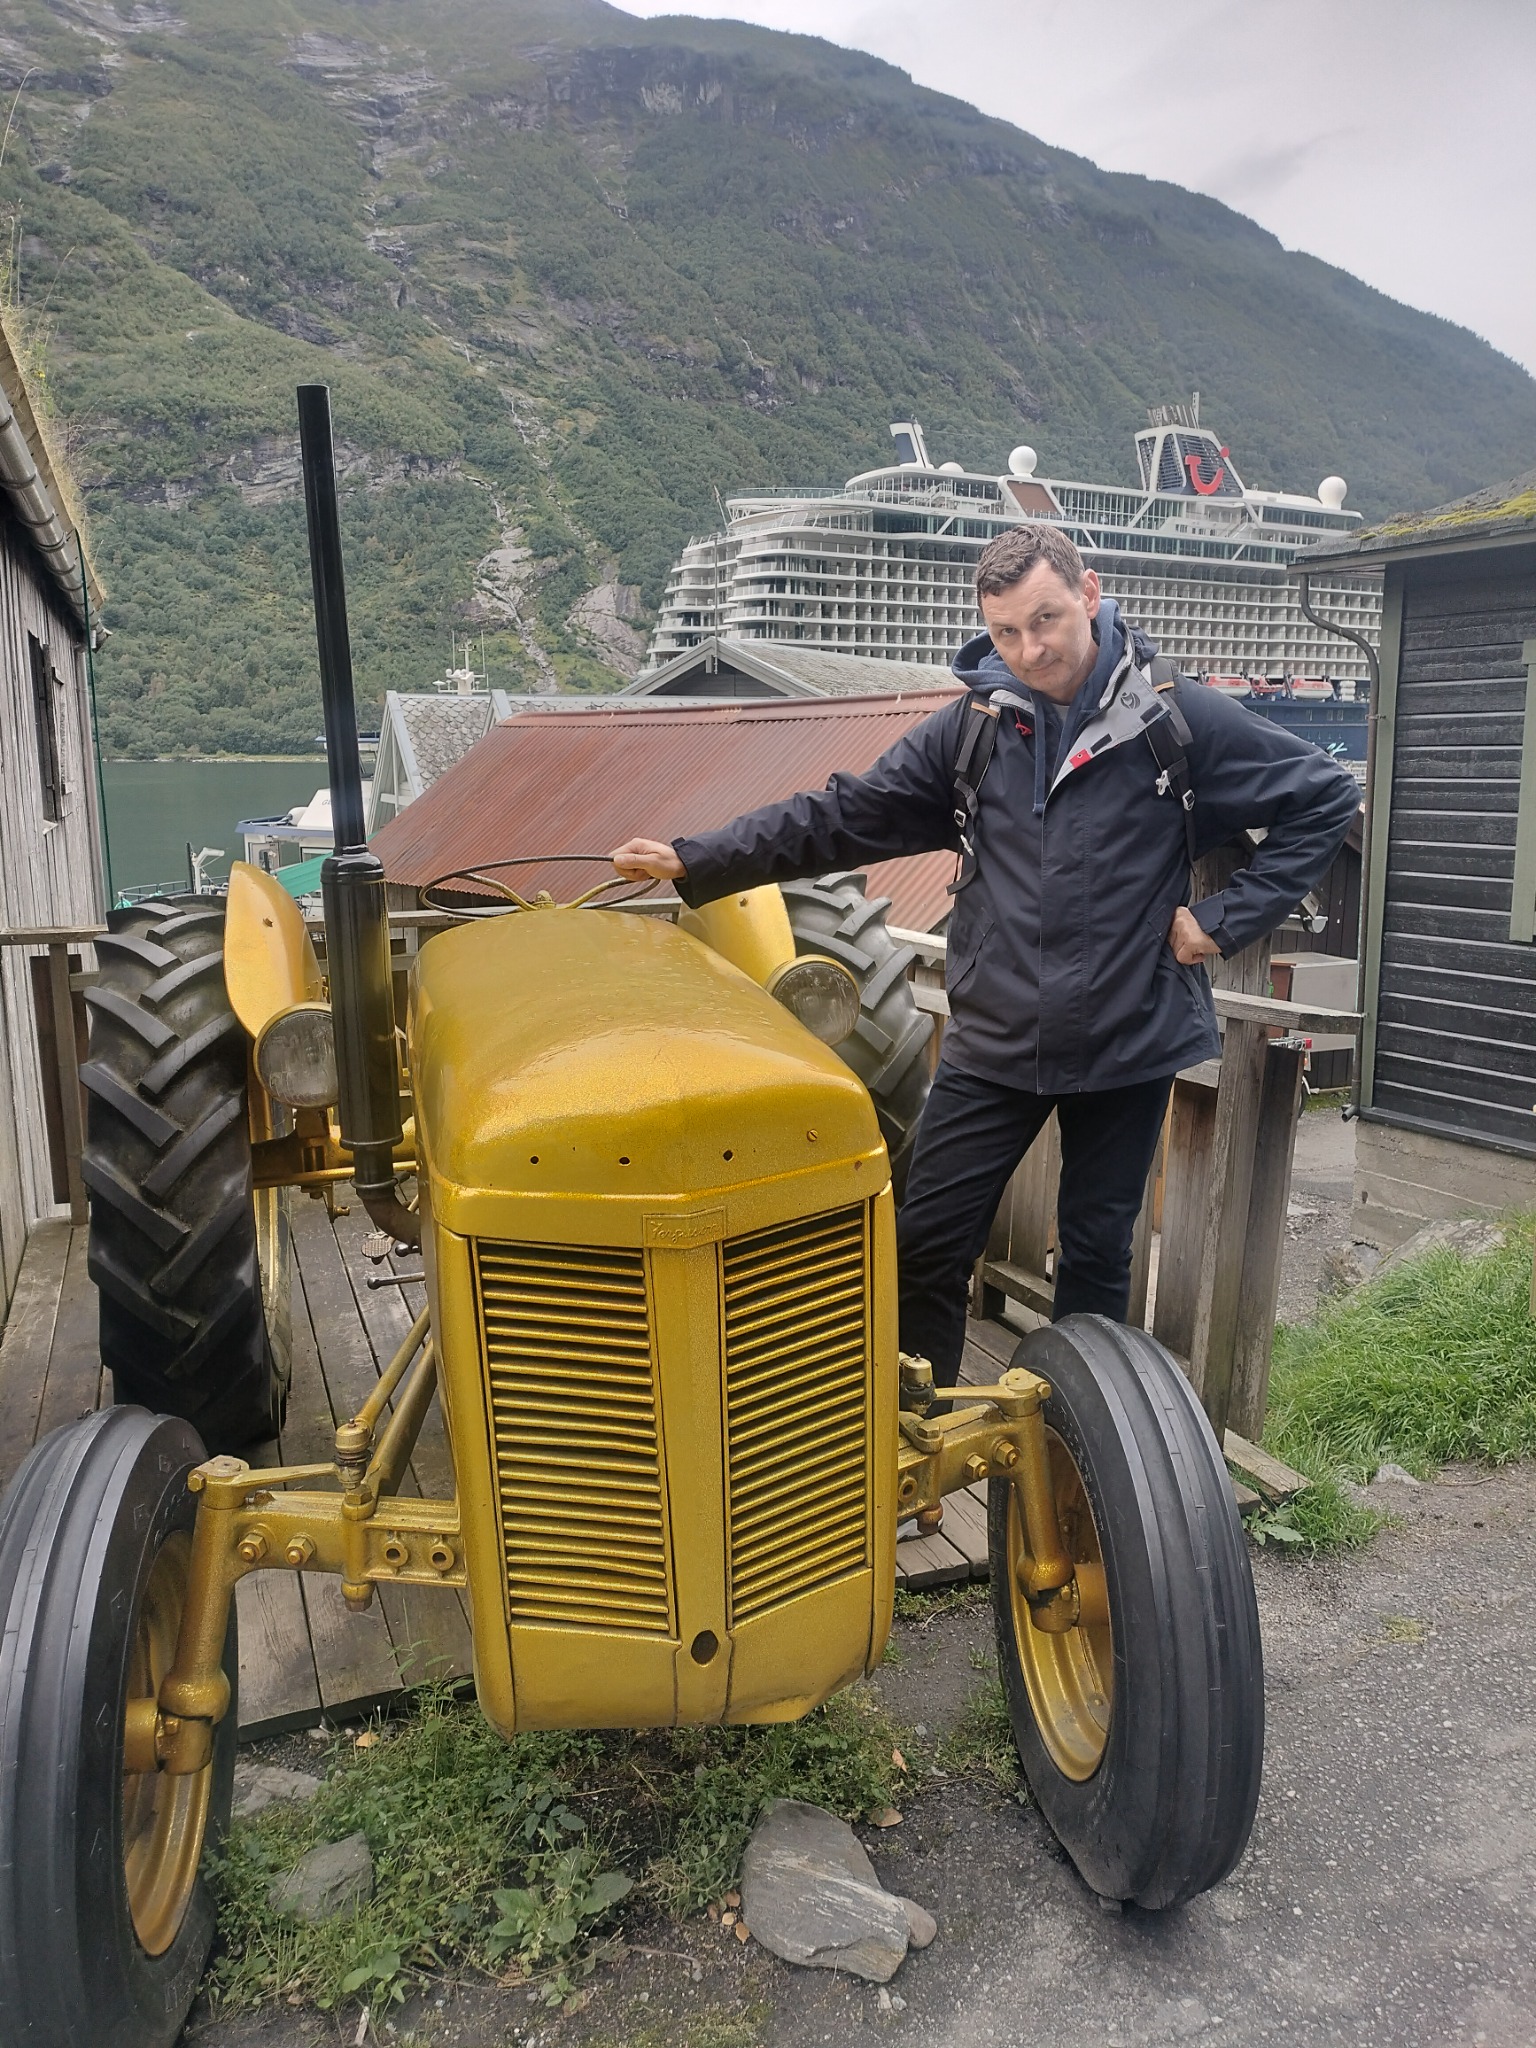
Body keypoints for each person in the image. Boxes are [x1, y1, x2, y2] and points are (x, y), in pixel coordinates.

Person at [612, 524, 1360, 1387]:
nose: (1031, 649)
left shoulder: (1177, 719)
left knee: (1094, 1257)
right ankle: (919, 1437)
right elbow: (840, 815)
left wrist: (1223, 919)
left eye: (1045, 620)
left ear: (1090, 591)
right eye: (1007, 632)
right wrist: (698, 857)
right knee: (925, 1240)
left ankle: (1070, 1452)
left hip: (1129, 1037)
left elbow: (1324, 795)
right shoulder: (972, 729)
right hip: (996, 1038)